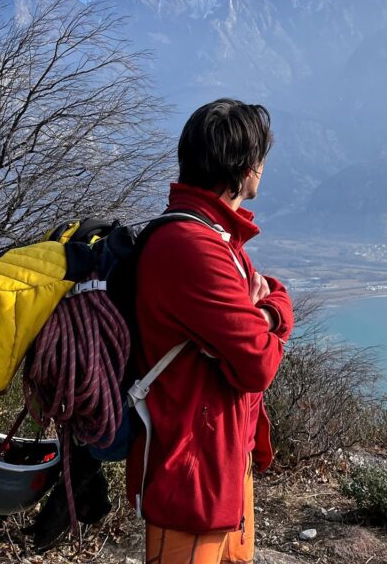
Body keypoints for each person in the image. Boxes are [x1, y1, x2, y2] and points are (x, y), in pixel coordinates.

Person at [126, 99, 294, 564]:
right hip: (190, 477)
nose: (263, 166)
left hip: (222, 467)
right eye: (259, 156)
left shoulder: (218, 239)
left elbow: (274, 294)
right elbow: (258, 364)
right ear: (242, 167)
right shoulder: (191, 246)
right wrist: (267, 315)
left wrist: (268, 311)